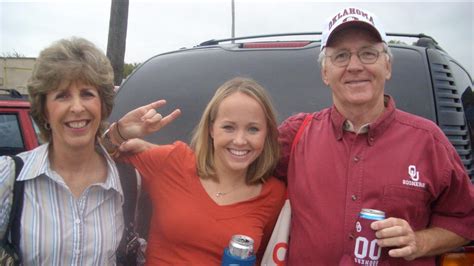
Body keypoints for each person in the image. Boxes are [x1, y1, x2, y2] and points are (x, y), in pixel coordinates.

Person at [276, 7, 474, 265]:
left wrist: (420, 241)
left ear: (387, 66)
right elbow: (230, 171)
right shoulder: (296, 135)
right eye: (341, 56)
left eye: (368, 53)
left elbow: (465, 219)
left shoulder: (429, 141)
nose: (355, 66)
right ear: (325, 73)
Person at [104, 77, 287, 264]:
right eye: (228, 127)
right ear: (211, 129)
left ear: (267, 134)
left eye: (253, 129)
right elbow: (89, 162)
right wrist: (119, 133)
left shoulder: (275, 196)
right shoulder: (173, 162)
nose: (240, 140)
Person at [0, 37, 124, 265]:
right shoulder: (10, 176)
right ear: (45, 110)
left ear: (102, 105)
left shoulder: (125, 182)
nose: (77, 107)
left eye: (87, 93)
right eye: (62, 95)